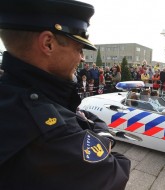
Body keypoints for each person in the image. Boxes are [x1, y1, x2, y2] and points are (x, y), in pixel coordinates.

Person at [0, 1, 130, 189]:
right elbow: (117, 169)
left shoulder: (13, 93)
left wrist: (94, 128)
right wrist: (105, 137)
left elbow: (75, 113)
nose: (82, 58)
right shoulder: (52, 133)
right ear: (48, 44)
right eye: (78, 48)